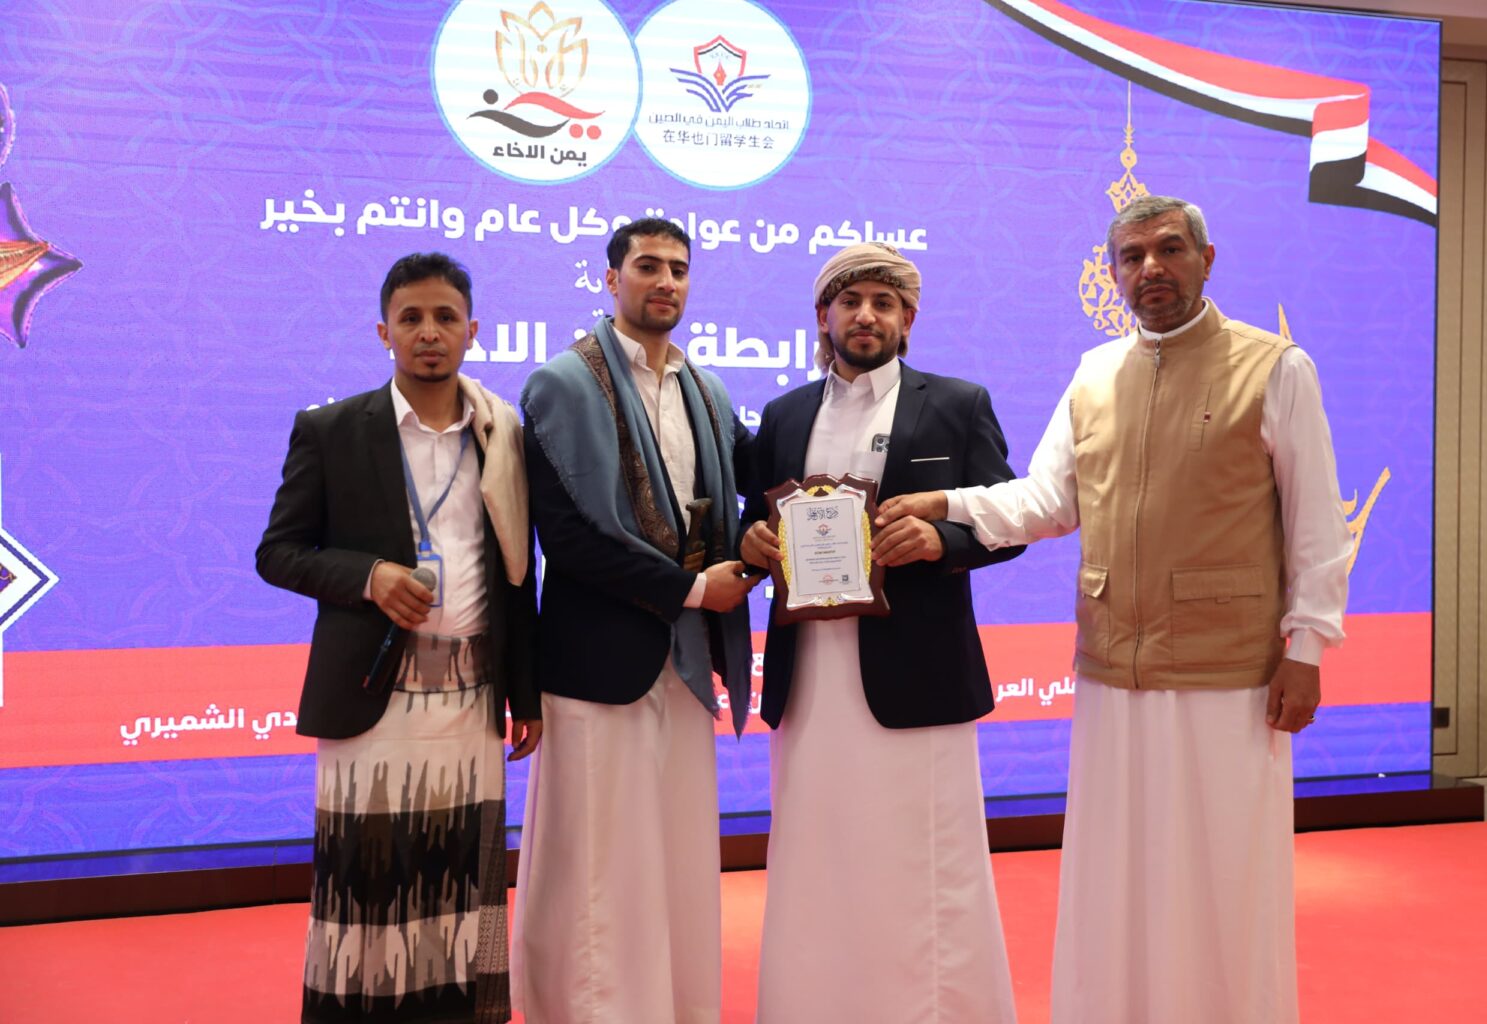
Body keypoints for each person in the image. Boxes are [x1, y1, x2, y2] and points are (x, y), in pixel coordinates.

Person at [880, 195, 1354, 1024]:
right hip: (1111, 670)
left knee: (1223, 879)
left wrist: (1306, 648)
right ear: (1113, 273)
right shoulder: (1094, 374)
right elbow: (1045, 502)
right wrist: (946, 505)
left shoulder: (1276, 368)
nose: (1151, 269)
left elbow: (1317, 523)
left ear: (1208, 259)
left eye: (1169, 250)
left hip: (1230, 673)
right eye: (1132, 257)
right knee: (1116, 877)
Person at [738, 242, 1022, 1023]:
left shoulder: (957, 404)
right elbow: (751, 522)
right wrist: (750, 544)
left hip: (918, 677)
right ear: (823, 316)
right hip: (811, 680)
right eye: (850, 301)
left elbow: (1010, 522)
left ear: (908, 319)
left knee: (923, 866)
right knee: (818, 859)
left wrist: (942, 539)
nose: (866, 316)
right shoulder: (785, 415)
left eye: (883, 303)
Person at [255, 251, 539, 1024]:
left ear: (473, 330)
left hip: (473, 700)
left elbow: (520, 574)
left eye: (446, 317)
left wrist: (525, 692)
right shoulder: (332, 430)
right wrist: (369, 576)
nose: (429, 332)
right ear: (384, 332)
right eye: (410, 318)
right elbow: (278, 553)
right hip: (372, 700)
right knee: (367, 896)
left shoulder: (503, 434)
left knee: (459, 894)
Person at [509, 217, 759, 1024]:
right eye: (648, 266)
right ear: (611, 278)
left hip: (685, 662)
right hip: (597, 665)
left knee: (679, 861)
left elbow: (749, 501)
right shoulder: (561, 385)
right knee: (595, 867)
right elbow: (570, 541)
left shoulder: (707, 392)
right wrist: (692, 590)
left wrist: (760, 554)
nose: (666, 282)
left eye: (679, 268)